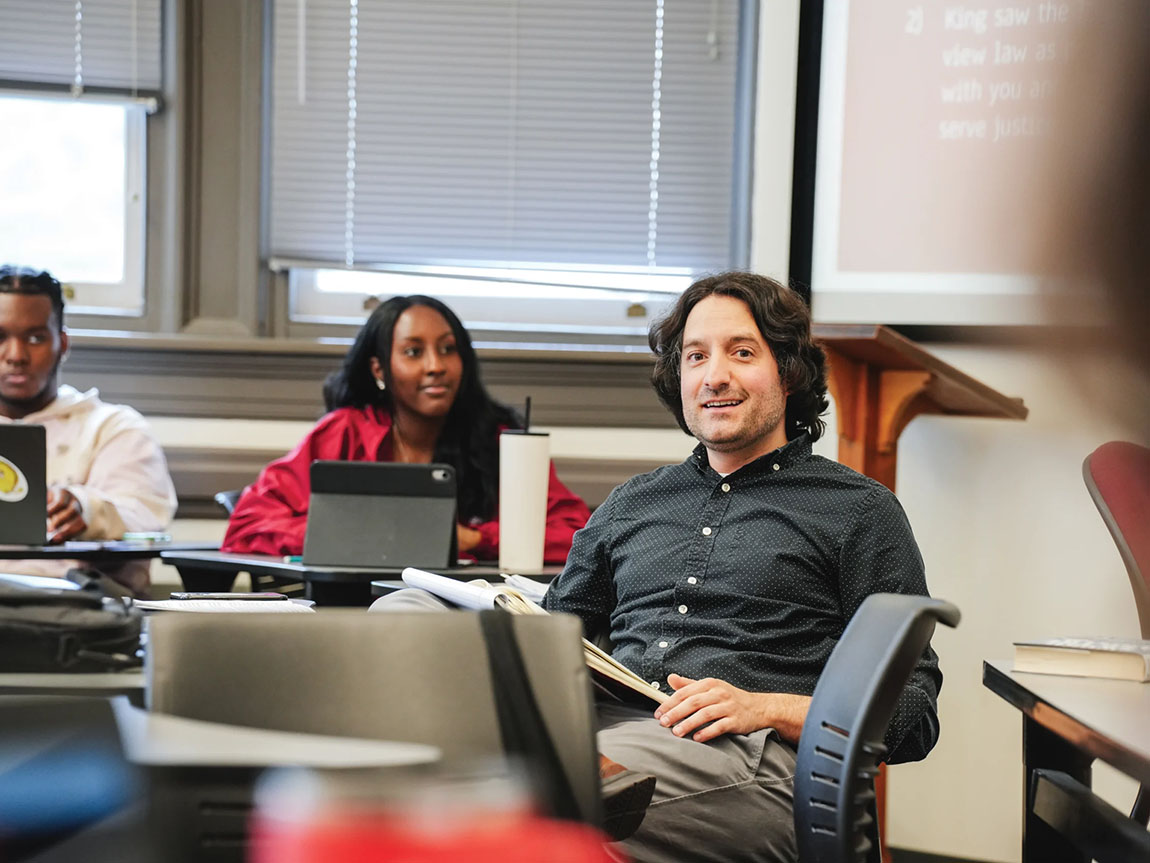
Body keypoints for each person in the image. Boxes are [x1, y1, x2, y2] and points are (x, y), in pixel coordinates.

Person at [542, 272, 943, 863]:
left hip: (751, 760)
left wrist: (766, 706)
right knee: (409, 607)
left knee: (515, 815)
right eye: (696, 357)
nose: (715, 376)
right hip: (606, 737)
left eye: (742, 352)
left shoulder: (859, 511)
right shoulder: (632, 502)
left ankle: (551, 792)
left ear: (788, 371)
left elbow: (915, 713)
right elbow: (550, 638)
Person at [223, 295, 591, 561]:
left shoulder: (499, 437)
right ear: (379, 370)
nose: (436, 366)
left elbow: (575, 534)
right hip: (355, 608)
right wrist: (348, 536)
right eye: (414, 352)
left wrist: (476, 538)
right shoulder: (344, 431)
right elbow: (247, 524)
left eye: (448, 349)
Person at [0, 266, 177, 596]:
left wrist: (88, 510)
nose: (16, 356)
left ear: (62, 343)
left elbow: (144, 519)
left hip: (78, 614)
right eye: (0, 338)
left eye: (35, 338)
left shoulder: (114, 429)